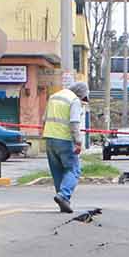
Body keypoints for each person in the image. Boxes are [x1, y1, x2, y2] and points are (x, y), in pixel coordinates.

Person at [43, 82, 89, 213]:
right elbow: (74, 123)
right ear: (80, 94)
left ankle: (63, 201)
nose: (82, 100)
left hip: (49, 138)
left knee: (57, 171)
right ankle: (63, 195)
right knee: (73, 169)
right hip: (64, 139)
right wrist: (78, 142)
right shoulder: (74, 100)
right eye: (83, 98)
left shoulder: (53, 97)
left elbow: (44, 118)